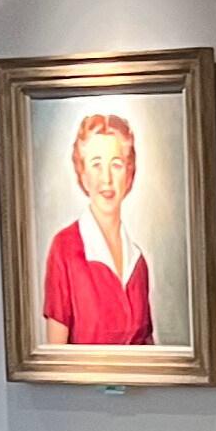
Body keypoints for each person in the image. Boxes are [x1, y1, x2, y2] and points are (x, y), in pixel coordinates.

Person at [41, 111, 154, 346]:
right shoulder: (64, 249)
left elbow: (147, 352)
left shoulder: (138, 262)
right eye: (96, 165)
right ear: (82, 175)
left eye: (116, 165)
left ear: (129, 174)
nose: (107, 179)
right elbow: (55, 359)